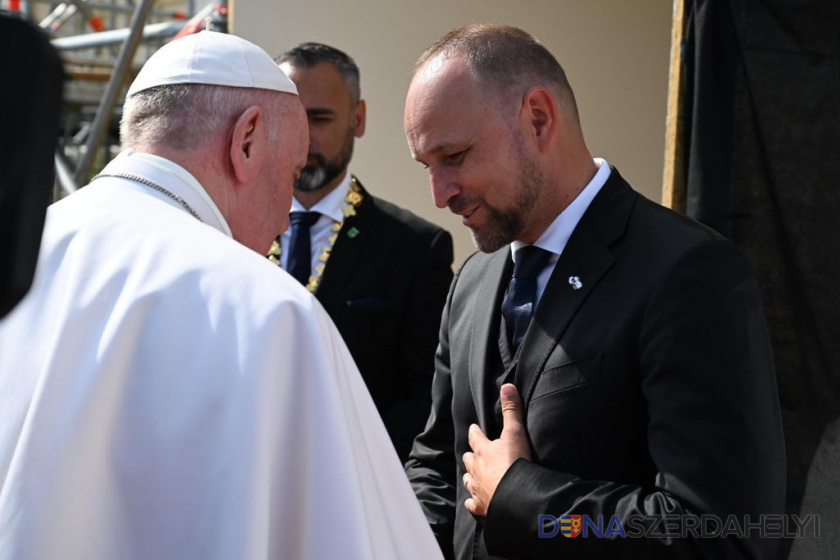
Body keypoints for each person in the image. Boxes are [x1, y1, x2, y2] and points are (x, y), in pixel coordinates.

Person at [0, 31, 441, 560]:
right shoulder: (270, 309)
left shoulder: (22, 251)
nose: (285, 221)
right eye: (292, 173)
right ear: (247, 139)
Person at [403, 24, 786, 559]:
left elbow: (718, 533)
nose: (440, 194)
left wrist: (522, 499)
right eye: (427, 166)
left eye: (456, 156)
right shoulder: (472, 281)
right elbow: (438, 465)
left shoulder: (688, 272)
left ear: (538, 118)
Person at [273, 43, 454, 461]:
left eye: (318, 118)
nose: (302, 136)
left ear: (358, 119)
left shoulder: (415, 248)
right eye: (288, 118)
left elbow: (426, 400)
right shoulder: (229, 236)